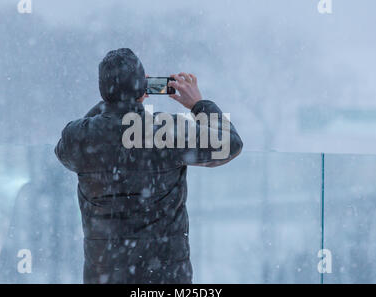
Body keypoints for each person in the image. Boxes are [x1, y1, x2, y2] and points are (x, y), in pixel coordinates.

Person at [54, 48, 243, 284]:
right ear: (144, 88)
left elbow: (67, 146)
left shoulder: (79, 137)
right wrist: (199, 104)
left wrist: (112, 104)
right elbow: (231, 143)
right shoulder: (164, 131)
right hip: (164, 278)